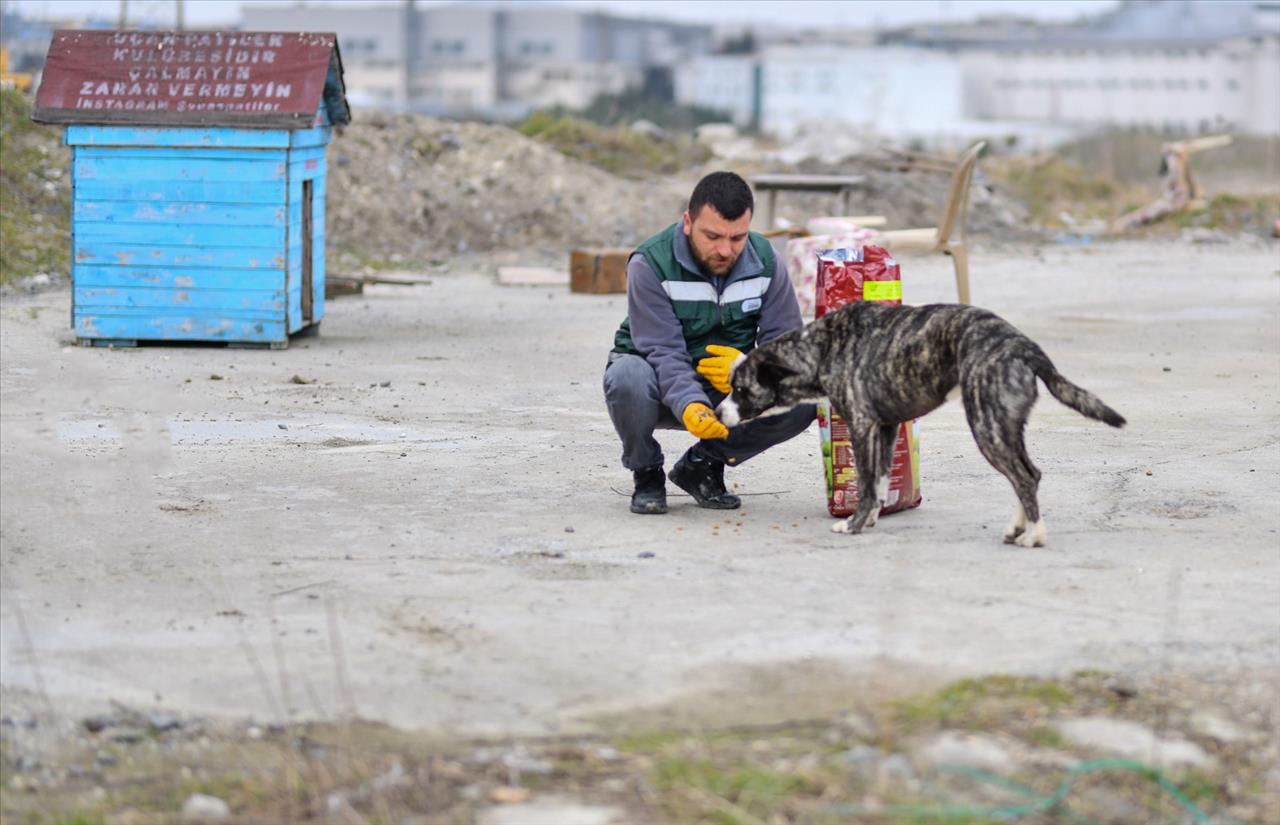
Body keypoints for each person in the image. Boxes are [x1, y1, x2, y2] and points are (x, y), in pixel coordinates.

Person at [603, 171, 817, 514]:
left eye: (737, 238)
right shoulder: (650, 264)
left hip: (725, 386)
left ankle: (702, 464)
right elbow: (661, 349)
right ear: (688, 222)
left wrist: (748, 368)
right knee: (627, 375)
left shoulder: (765, 262)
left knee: (802, 397)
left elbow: (787, 344)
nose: (724, 249)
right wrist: (688, 401)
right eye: (713, 235)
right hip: (658, 384)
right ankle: (646, 473)